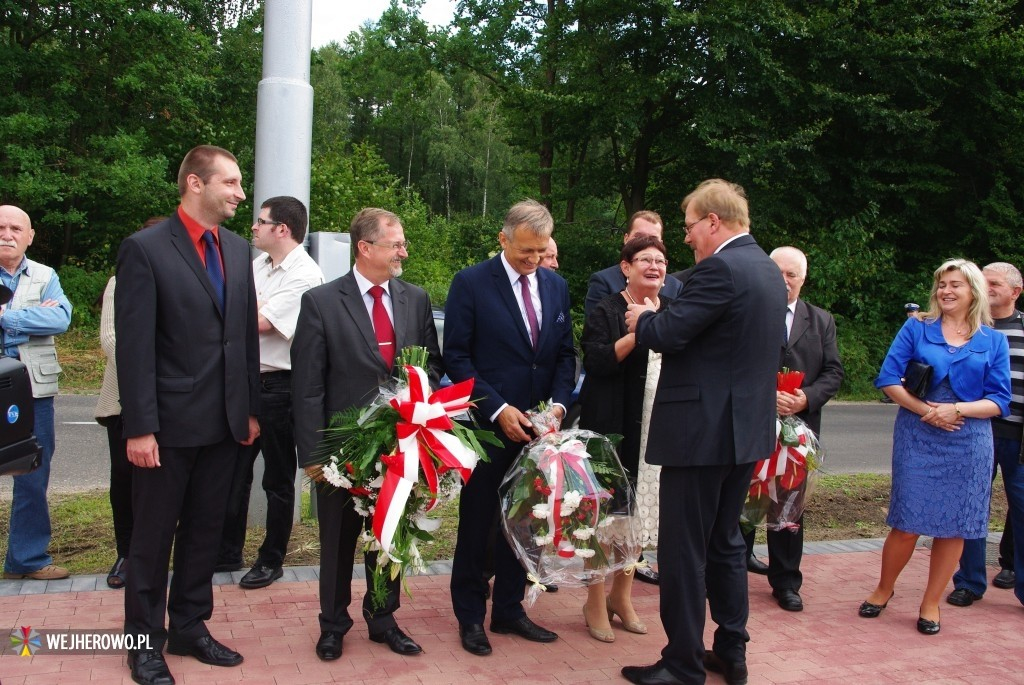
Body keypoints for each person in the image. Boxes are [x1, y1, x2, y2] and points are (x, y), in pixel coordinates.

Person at [621, 179, 787, 685]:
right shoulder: (767, 270)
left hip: (700, 434)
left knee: (683, 552)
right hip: (743, 434)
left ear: (713, 221)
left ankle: (683, 662)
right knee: (726, 545)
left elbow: (671, 334)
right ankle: (731, 651)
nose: (687, 238)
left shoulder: (721, 269)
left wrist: (643, 318)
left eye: (690, 226)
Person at [116, 145, 261, 685]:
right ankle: (142, 644)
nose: (240, 194)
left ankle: (190, 627)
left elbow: (243, 336)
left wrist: (246, 411)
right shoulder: (146, 249)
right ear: (195, 184)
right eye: (231, 183)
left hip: (224, 424)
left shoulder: (239, 249)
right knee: (151, 541)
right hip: (166, 427)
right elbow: (134, 349)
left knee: (205, 532)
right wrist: (140, 427)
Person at [292, 208, 440, 661]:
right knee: (338, 542)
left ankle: (383, 618)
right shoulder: (321, 302)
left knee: (390, 535)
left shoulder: (415, 299)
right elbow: (308, 384)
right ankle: (333, 625)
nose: (404, 251)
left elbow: (431, 366)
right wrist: (314, 455)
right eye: (396, 244)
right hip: (340, 453)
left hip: (399, 446)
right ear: (365, 247)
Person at [445, 199, 576, 657]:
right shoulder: (471, 283)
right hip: (487, 427)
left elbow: (564, 355)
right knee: (478, 523)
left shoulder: (557, 287)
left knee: (525, 521)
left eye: (541, 252)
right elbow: (457, 358)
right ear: (503, 239)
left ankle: (509, 610)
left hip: (539, 431)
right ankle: (469, 616)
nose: (535, 261)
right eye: (526, 252)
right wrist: (498, 407)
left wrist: (558, 407)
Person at [860, 258, 1010, 637]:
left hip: (968, 439)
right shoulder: (917, 327)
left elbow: (1000, 400)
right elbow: (888, 378)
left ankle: (930, 602)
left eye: (955, 284)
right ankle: (883, 589)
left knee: (954, 527)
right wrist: (929, 411)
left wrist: (956, 409)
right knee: (907, 522)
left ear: (973, 290)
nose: (946, 291)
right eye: (942, 284)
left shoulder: (993, 340)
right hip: (918, 432)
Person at [217, 197, 325, 588]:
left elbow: (259, 323)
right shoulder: (258, 265)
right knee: (232, 471)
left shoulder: (305, 275)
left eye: (261, 221)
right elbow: (228, 307)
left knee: (277, 478)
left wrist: (247, 309)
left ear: (283, 229)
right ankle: (226, 551)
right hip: (243, 381)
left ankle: (272, 558)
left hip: (280, 386)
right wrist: (246, 309)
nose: (254, 227)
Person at [578, 235, 672, 642]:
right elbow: (597, 361)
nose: (654, 266)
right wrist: (640, 329)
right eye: (645, 260)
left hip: (658, 430)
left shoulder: (675, 311)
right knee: (604, 519)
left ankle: (623, 595)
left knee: (637, 520)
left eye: (661, 261)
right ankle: (595, 600)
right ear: (626, 267)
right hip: (613, 429)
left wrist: (656, 319)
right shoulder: (607, 309)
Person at [743, 246, 844, 612]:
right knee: (744, 504)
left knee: (788, 511)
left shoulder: (820, 320)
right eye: (777, 273)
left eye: (792, 275)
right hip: (751, 424)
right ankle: (732, 576)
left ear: (803, 279)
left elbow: (834, 372)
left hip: (798, 434)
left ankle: (786, 582)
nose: (784, 281)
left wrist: (805, 399)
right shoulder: (746, 313)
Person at [0, 205, 72, 582]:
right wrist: (31, 316)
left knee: (32, 472)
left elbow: (60, 318)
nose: (7, 234)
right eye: (0, 227)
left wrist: (5, 317)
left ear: (29, 236)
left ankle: (26, 560)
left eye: (16, 228)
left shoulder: (45, 275)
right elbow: (44, 318)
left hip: (31, 390)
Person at [94, 216, 166, 590]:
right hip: (122, 401)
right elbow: (111, 340)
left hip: (174, 403)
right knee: (124, 480)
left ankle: (157, 555)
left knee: (166, 484)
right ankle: (127, 552)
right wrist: (167, 358)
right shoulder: (119, 281)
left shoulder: (184, 278)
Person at [947, 261, 1022, 607]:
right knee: (972, 507)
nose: (986, 286)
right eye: (983, 281)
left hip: (1019, 440)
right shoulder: (966, 329)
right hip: (975, 431)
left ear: (1015, 292)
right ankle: (969, 581)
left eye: (994, 282)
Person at [584, 210, 684, 319]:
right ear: (626, 239)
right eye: (639, 237)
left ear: (661, 243)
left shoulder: (675, 286)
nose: (646, 243)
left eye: (653, 239)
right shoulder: (604, 282)